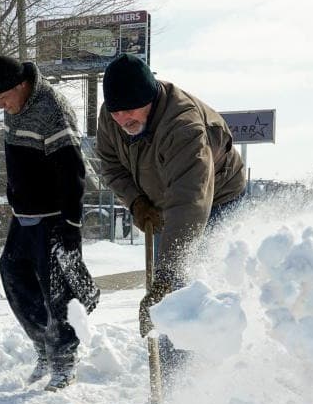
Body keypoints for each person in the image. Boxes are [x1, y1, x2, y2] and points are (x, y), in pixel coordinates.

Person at [95, 53, 246, 379]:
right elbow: (110, 164)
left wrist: (165, 277)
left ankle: (199, 377)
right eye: (116, 111)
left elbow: (190, 202)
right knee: (168, 293)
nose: (123, 118)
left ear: (150, 98)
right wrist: (136, 202)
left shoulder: (184, 127)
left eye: (131, 109)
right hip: (163, 198)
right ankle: (170, 380)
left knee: (182, 288)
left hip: (216, 198)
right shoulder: (111, 117)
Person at [0, 54, 88, 391]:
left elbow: (73, 171)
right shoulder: (14, 109)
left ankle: (64, 360)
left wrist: (71, 224)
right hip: (24, 215)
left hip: (55, 216)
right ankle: (44, 347)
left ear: (21, 85)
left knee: (56, 290)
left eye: (3, 98)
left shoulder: (51, 109)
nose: (0, 106)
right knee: (13, 275)